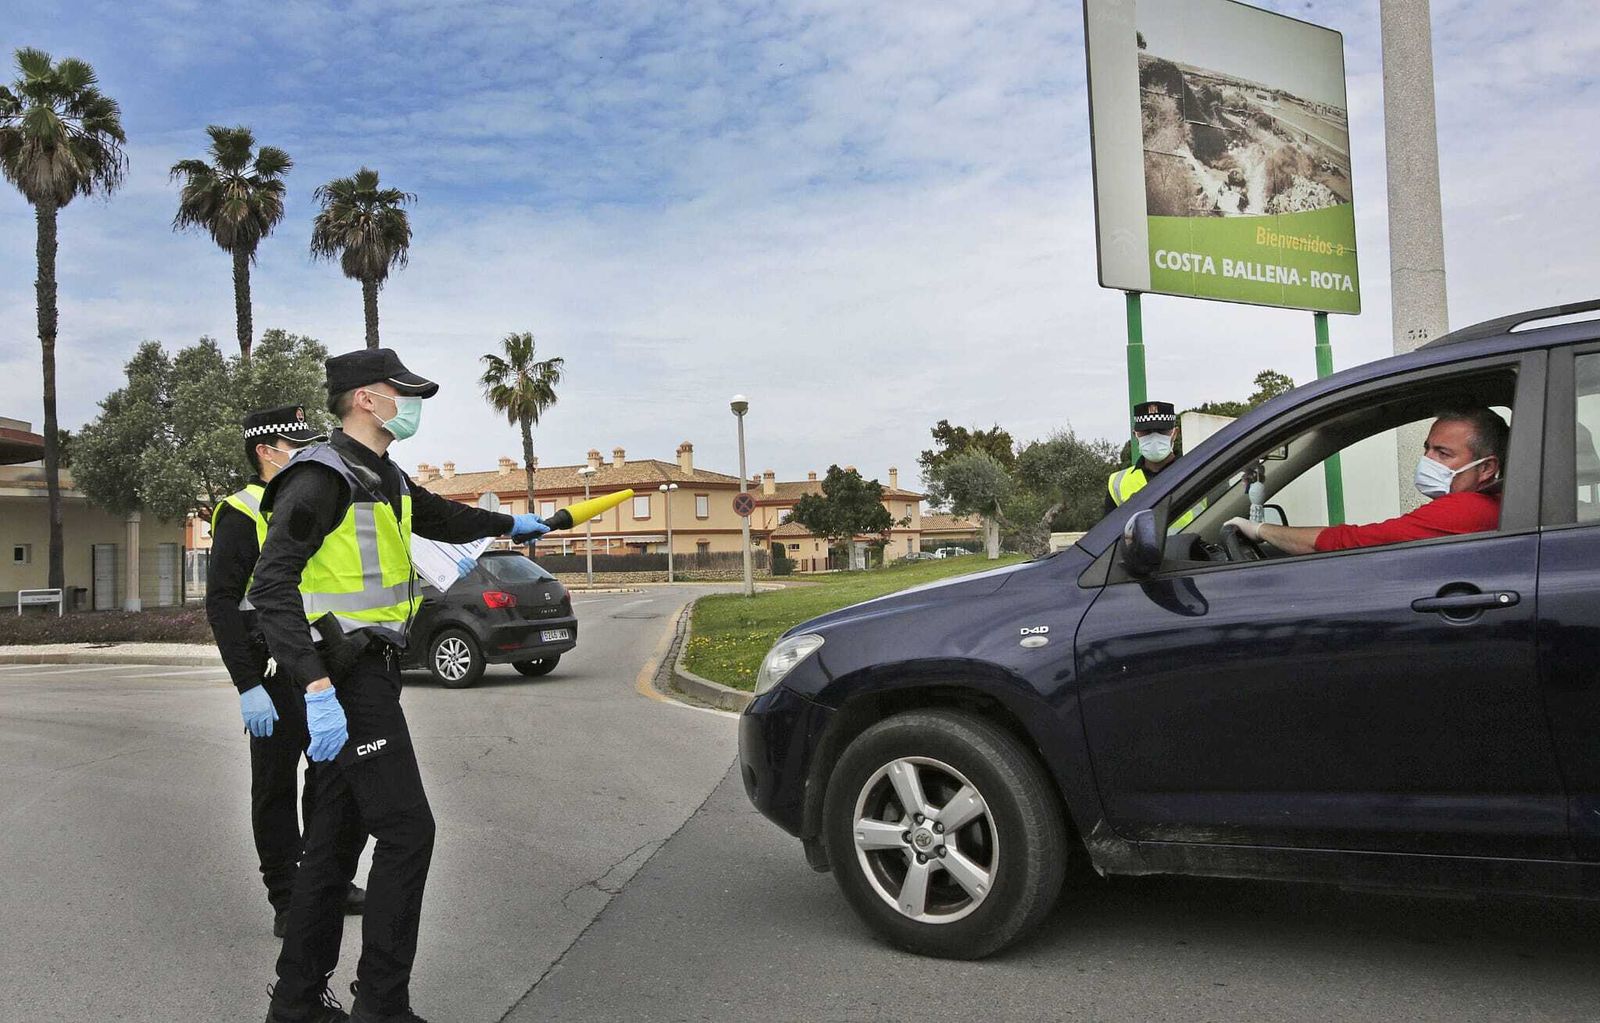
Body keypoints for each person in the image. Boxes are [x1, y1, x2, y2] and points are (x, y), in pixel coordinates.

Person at [250, 349, 552, 1023]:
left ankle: (296, 1002)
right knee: (409, 831)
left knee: (332, 842)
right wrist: (318, 687)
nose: (410, 403)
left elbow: (438, 516)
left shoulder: (381, 474)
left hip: (370, 672)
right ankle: (381, 1003)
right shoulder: (319, 478)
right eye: (401, 392)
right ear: (364, 399)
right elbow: (270, 588)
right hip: (346, 678)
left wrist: (509, 524)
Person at [205, 405, 365, 939]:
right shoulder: (241, 510)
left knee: (329, 779)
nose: (305, 456)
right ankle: (285, 895)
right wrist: (248, 684)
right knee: (274, 788)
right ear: (265, 453)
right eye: (295, 448)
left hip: (319, 659)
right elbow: (223, 603)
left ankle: (329, 881)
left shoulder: (309, 500)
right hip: (271, 671)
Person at [1226, 407, 1507, 555]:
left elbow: (1353, 542)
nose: (1428, 459)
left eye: (1443, 453)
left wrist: (1260, 529)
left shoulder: (1466, 508)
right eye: (1427, 448)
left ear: (1486, 469)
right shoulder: (1496, 504)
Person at [1106, 400, 1199, 528]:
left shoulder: (1196, 472)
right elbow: (1107, 534)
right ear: (1136, 435)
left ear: (1174, 433)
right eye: (1147, 432)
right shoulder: (1117, 483)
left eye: (1161, 431)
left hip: (1187, 547)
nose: (1154, 437)